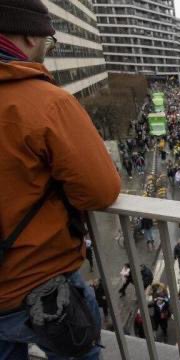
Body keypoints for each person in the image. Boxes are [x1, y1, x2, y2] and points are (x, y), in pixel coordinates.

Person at [0, 2, 121, 358]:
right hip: (41, 287)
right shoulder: (45, 102)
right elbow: (101, 189)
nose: (45, 54)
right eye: (47, 44)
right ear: (26, 34)